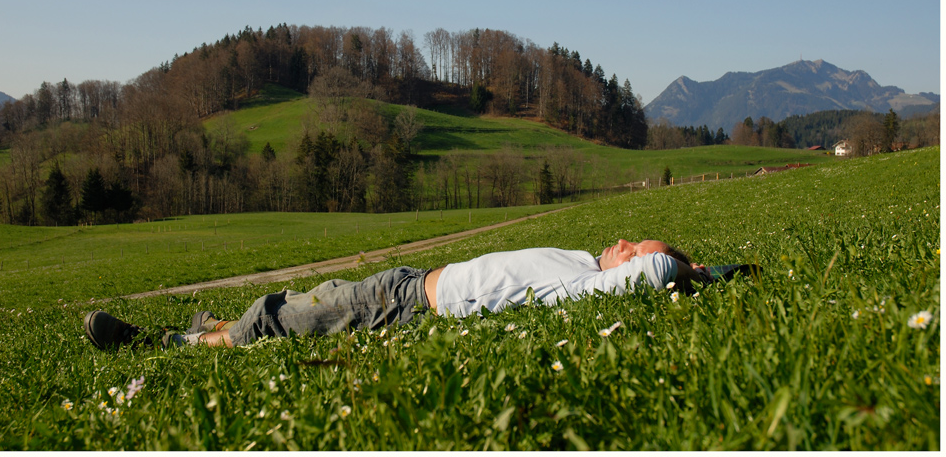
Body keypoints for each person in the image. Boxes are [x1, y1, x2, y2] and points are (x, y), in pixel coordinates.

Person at [84, 239, 709, 351]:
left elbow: (655, 274)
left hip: (398, 307)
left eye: (635, 247)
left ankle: (169, 342)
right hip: (405, 283)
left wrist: (698, 269)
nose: (622, 244)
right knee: (294, 306)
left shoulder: (590, 284)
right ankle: (206, 325)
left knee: (272, 317)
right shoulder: (577, 260)